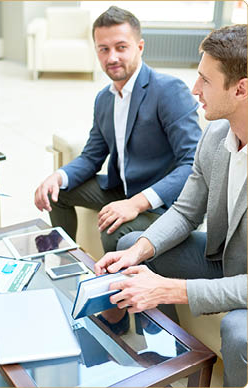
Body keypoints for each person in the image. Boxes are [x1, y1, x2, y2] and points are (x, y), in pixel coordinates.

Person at [94, 24, 247, 387]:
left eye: (205, 82)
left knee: (239, 332)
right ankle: (166, 361)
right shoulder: (215, 136)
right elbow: (185, 210)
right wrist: (140, 251)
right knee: (131, 246)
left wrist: (168, 289)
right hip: (226, 260)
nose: (195, 91)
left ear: (241, 88)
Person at [34, 6, 201, 253]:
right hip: (120, 189)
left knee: (114, 230)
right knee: (56, 193)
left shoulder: (168, 90)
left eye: (121, 47)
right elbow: (92, 157)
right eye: (104, 49)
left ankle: (114, 287)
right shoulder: (105, 98)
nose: (112, 57)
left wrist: (136, 203)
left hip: (162, 202)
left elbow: (192, 163)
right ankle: (67, 260)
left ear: (140, 47)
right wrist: (57, 177)